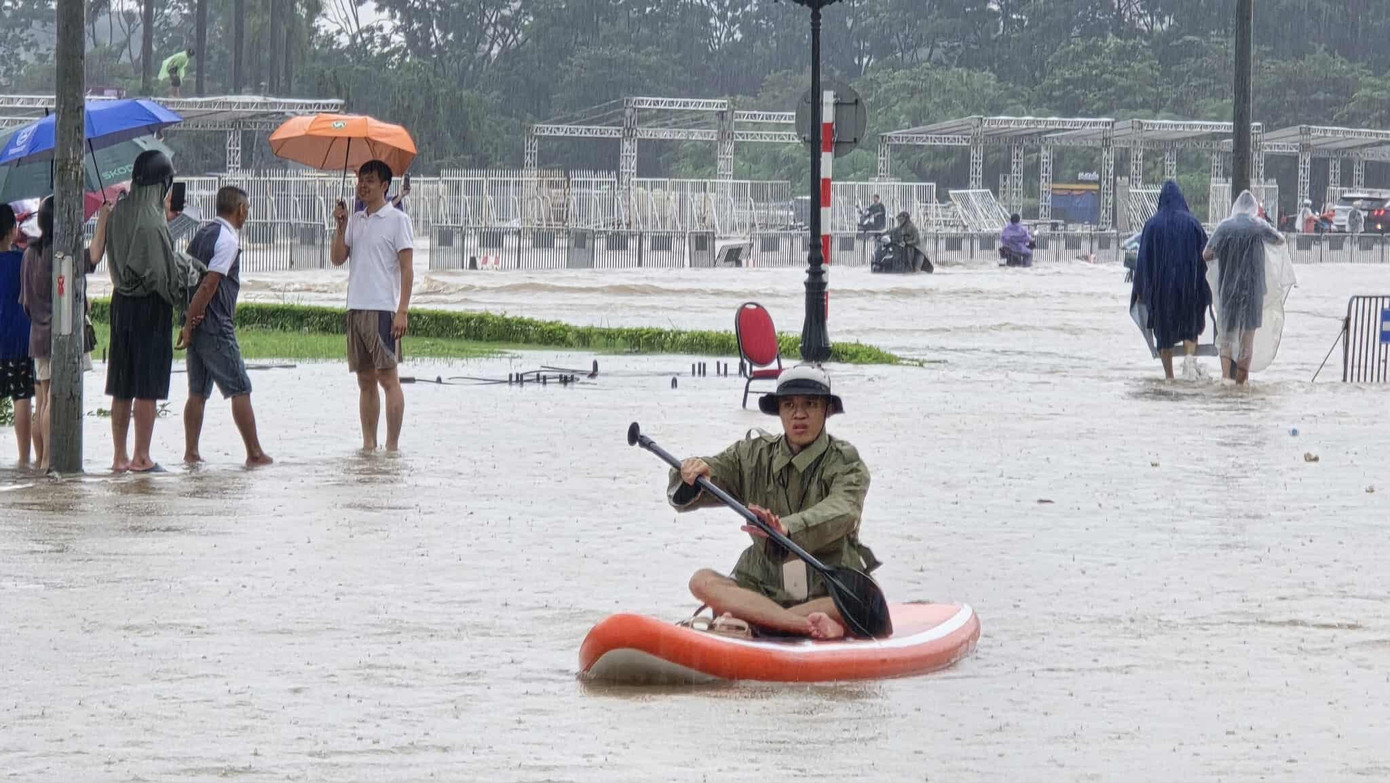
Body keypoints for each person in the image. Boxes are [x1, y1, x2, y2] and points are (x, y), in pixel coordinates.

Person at [670, 365, 879, 640]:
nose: (799, 414)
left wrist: (786, 528)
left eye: (810, 404)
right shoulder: (752, 454)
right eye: (789, 405)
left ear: (827, 410)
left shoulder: (847, 463)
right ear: (779, 410)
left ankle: (753, 620)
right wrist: (693, 472)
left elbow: (844, 510)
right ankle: (800, 625)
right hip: (763, 585)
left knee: (856, 603)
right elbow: (716, 470)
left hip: (826, 588)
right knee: (701, 581)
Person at [104, 149, 190, 473]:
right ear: (162, 184)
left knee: (121, 384)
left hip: (120, 303)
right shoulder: (154, 223)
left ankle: (119, 456)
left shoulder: (118, 212)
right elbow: (162, 277)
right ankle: (142, 456)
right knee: (147, 386)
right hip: (150, 307)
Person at [178, 186, 272, 467]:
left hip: (197, 325)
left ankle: (191, 453)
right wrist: (191, 322)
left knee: (197, 392)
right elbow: (209, 285)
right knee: (240, 387)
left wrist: (188, 321)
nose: (247, 214)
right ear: (240, 209)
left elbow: (189, 279)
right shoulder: (227, 240)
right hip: (216, 326)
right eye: (247, 209)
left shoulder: (202, 235)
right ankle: (254, 453)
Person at [19, 197, 109, 472]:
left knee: (43, 400)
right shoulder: (62, 254)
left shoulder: (29, 254)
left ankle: (41, 459)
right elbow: (95, 254)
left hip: (37, 335)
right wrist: (104, 217)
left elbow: (25, 302)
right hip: (59, 336)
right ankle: (50, 459)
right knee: (53, 400)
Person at [331, 159, 414, 452]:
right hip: (356, 307)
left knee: (388, 379)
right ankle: (369, 445)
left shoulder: (398, 220)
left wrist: (402, 310)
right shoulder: (355, 220)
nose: (363, 186)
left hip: (383, 309)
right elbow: (337, 258)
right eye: (360, 180)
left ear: (384, 185)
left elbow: (407, 269)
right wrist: (340, 225)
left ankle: (391, 446)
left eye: (369, 180)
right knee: (365, 380)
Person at [1203, 191, 1288, 385]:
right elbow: (1279, 240)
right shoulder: (1258, 226)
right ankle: (1242, 382)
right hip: (1253, 290)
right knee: (1246, 338)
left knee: (1226, 336)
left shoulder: (1224, 226)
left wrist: (1226, 252)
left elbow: (1206, 254)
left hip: (1228, 291)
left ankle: (1226, 379)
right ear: (1253, 208)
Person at [1131, 180, 1210, 381]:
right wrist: (1207, 288)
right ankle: (1189, 362)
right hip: (1189, 288)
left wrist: (1140, 290)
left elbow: (1143, 261)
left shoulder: (1152, 225)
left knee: (1164, 332)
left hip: (1162, 290)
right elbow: (1207, 257)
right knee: (1190, 327)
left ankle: (1169, 377)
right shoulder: (1193, 224)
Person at [0, 205, 34, 467]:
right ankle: (24, 458)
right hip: (20, 339)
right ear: (12, 231)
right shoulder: (22, 260)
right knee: (21, 397)